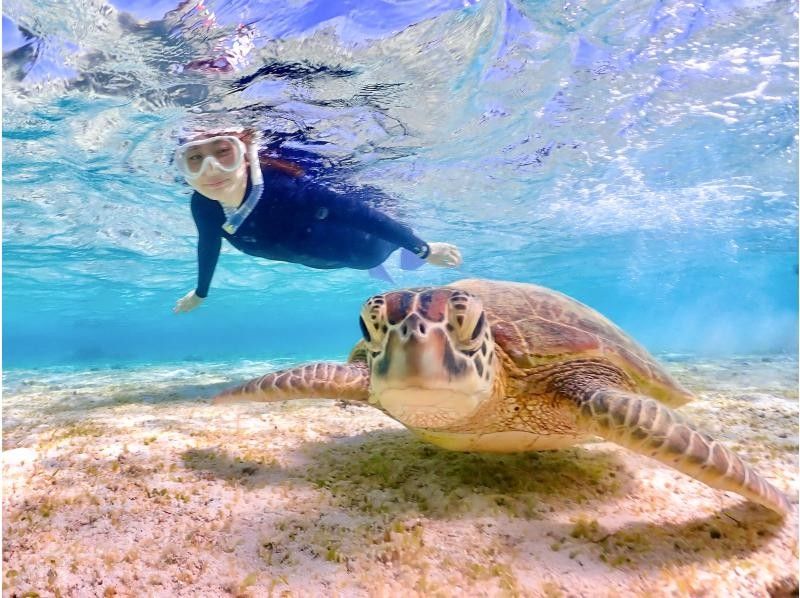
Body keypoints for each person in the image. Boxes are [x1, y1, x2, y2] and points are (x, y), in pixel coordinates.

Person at [172, 129, 463, 313]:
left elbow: (359, 213)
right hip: (314, 258)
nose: (211, 169)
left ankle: (409, 242)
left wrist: (423, 250)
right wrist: (201, 293)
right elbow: (208, 243)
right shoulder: (203, 205)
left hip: (364, 250)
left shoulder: (284, 187)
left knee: (374, 242)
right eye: (195, 159)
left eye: (224, 153)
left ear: (245, 155)